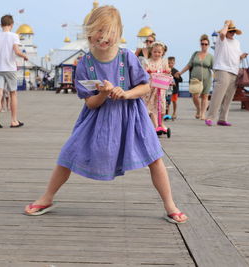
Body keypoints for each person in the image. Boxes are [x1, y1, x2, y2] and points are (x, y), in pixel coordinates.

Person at [24, 5, 187, 224]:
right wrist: (102, 93)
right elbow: (90, 103)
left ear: (118, 33)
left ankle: (170, 204)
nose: (103, 37)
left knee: (154, 157)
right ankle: (47, 197)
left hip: (132, 116)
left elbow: (145, 86)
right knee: (67, 155)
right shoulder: (84, 64)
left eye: (109, 32)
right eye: (99, 30)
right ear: (89, 32)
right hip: (97, 119)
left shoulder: (126, 57)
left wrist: (126, 93)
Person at [205, 21, 248, 126]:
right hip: (222, 69)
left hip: (234, 70)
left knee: (229, 96)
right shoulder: (221, 39)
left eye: (233, 31)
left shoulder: (237, 42)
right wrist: (226, 25)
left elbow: (237, 55)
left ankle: (222, 119)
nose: (232, 33)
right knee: (218, 94)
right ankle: (210, 117)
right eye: (230, 31)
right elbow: (223, 34)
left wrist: (242, 56)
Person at [0, 15, 28, 128]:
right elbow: (16, 51)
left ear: (1, 25)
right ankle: (14, 120)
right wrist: (24, 56)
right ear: (11, 25)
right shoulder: (14, 36)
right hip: (10, 68)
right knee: (13, 93)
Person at [175, 34, 214, 120]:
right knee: (195, 96)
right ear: (200, 44)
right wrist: (180, 73)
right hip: (195, 79)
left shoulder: (211, 57)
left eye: (206, 44)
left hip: (206, 78)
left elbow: (214, 68)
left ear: (208, 45)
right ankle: (198, 109)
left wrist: (217, 78)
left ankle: (203, 114)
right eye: (202, 44)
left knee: (205, 96)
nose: (204, 45)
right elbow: (189, 65)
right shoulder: (195, 54)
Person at [143, 42, 171, 129]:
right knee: (152, 106)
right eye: (155, 52)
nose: (157, 54)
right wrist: (148, 70)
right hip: (151, 87)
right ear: (151, 51)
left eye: (159, 52)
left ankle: (161, 123)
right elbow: (145, 70)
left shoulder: (163, 62)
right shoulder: (147, 61)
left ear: (162, 53)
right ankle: (156, 125)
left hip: (161, 86)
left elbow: (167, 70)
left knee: (161, 106)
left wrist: (167, 70)